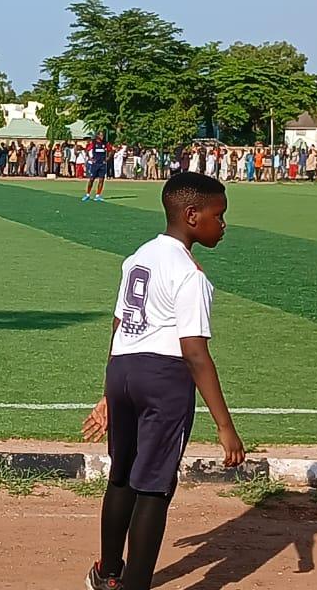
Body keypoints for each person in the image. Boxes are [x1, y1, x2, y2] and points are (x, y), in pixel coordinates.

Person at [81, 172, 244, 590]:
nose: (223, 224)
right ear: (192, 216)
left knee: (121, 475)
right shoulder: (192, 276)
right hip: (163, 378)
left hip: (122, 368)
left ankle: (107, 572)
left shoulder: (138, 257)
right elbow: (194, 352)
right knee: (153, 487)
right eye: (218, 215)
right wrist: (225, 427)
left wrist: (107, 394)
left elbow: (119, 324)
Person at [83, 134, 109, 202]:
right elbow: (87, 150)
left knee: (101, 180)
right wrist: (90, 158)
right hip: (95, 164)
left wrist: (107, 158)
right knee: (91, 179)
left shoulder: (105, 143)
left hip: (102, 164)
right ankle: (87, 194)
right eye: (100, 135)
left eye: (102, 135)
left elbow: (111, 150)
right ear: (97, 136)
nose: (102, 136)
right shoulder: (94, 143)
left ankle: (98, 195)